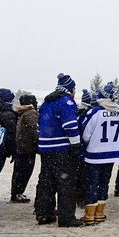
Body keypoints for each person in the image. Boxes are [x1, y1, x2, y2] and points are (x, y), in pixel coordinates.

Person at [34, 73, 84, 227]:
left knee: (46, 181)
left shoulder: (47, 102)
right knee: (66, 182)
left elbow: (39, 124)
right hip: (61, 148)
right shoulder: (66, 102)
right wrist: (76, 144)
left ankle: (44, 213)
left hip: (46, 147)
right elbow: (70, 126)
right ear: (70, 89)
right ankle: (66, 217)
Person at [80, 83, 119, 225]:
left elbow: (85, 134)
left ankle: (90, 215)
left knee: (92, 183)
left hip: (94, 154)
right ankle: (100, 212)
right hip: (112, 153)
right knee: (104, 182)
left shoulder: (95, 112)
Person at [11, 94, 38, 203]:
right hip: (28, 148)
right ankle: (18, 193)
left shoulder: (21, 113)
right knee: (25, 172)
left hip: (21, 147)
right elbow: (34, 131)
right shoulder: (31, 113)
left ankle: (15, 192)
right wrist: (39, 142)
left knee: (18, 172)